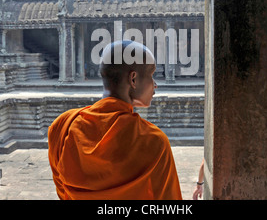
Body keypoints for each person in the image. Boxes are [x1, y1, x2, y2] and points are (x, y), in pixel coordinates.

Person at [48, 40, 182, 200]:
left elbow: (63, 194)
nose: (155, 85)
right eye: (151, 75)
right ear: (133, 80)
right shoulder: (154, 141)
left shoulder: (62, 126)